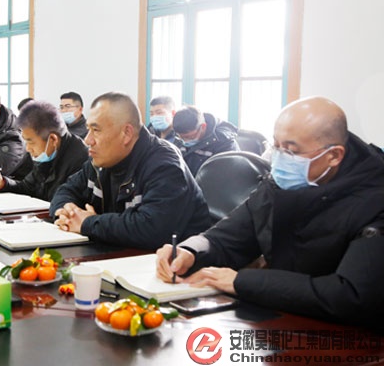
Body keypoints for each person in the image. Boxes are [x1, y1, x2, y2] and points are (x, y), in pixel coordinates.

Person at [156, 96, 384, 329]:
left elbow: (352, 296)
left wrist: (241, 281)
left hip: (347, 335)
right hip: (281, 315)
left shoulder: (375, 200)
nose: (280, 158)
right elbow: (230, 235)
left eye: (291, 151)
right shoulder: (285, 182)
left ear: (333, 155)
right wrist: (191, 251)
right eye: (276, 146)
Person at [51, 92, 211, 250]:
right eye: (88, 129)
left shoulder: (164, 166)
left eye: (96, 130)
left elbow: (152, 229)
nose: (88, 140)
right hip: (119, 253)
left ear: (127, 133)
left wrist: (88, 223)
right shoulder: (102, 160)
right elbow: (66, 190)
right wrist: (67, 211)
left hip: (172, 262)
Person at [0, 101, 88, 201]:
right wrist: (2, 183)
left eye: (30, 142)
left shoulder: (81, 160)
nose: (27, 148)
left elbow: (64, 202)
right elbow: (27, 188)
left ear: (53, 139)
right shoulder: (47, 153)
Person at [172, 105, 239, 176]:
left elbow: (225, 176)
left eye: (190, 137)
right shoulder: (179, 135)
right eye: (180, 137)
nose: (184, 141)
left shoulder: (225, 143)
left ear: (203, 126)